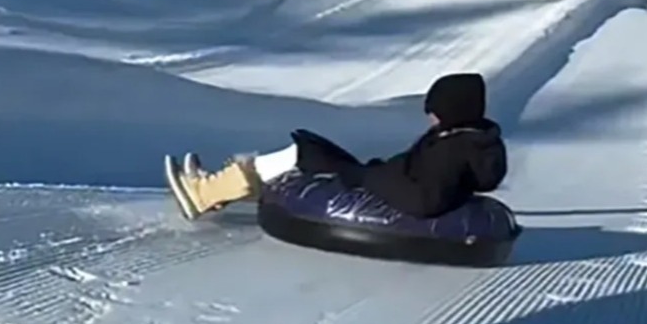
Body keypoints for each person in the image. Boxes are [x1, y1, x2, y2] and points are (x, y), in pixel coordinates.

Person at [168, 72, 507, 219]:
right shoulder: (466, 139)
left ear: (451, 111)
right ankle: (221, 192)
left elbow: (423, 201)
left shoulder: (455, 148)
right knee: (309, 144)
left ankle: (204, 193)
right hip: (375, 178)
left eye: (433, 111)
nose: (429, 117)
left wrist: (368, 177)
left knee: (304, 153)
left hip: (373, 185)